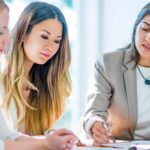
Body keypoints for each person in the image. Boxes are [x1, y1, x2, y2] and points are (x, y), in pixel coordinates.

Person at [0, 1, 79, 150]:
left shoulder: (45, 82)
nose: (50, 47)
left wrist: (50, 135)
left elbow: (20, 137)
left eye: (57, 41)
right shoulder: (2, 76)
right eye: (44, 37)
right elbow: (6, 139)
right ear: (23, 33)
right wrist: (45, 141)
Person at [82, 2, 150, 146]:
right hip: (119, 146)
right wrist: (96, 124)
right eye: (145, 28)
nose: (148, 38)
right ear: (135, 28)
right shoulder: (108, 64)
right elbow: (94, 111)